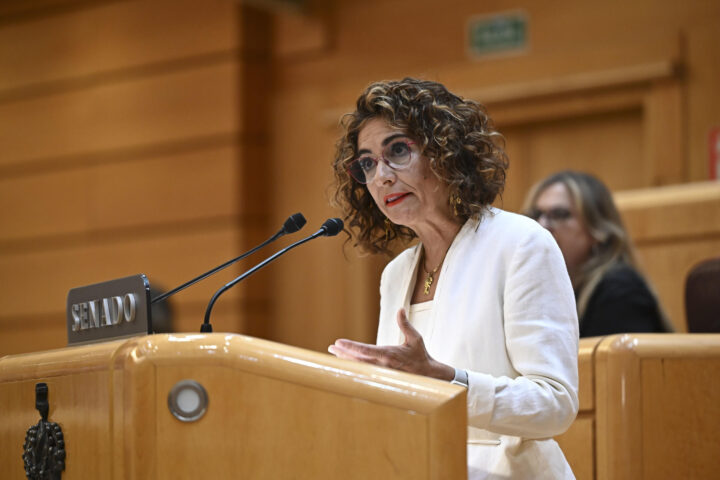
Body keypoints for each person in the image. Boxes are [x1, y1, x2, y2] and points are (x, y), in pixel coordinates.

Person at [327, 78, 579, 479]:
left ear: (444, 151)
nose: (382, 177)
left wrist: (447, 380)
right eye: (368, 163)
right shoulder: (395, 275)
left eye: (397, 151)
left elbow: (555, 404)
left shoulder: (521, 244)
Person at [523, 171, 671, 337]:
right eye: (535, 215)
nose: (542, 225)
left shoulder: (620, 290)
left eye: (559, 214)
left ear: (597, 231)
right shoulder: (540, 290)